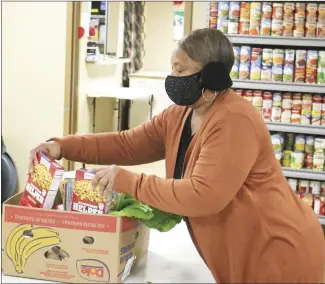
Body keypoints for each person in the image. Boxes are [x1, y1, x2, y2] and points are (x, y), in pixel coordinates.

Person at [29, 28, 325, 283]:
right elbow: (128, 144)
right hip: (242, 254)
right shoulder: (181, 114)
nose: (173, 77)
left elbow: (203, 195)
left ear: (211, 75)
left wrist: (130, 182)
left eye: (181, 69)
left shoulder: (235, 120)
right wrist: (63, 146)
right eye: (172, 67)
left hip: (278, 253)